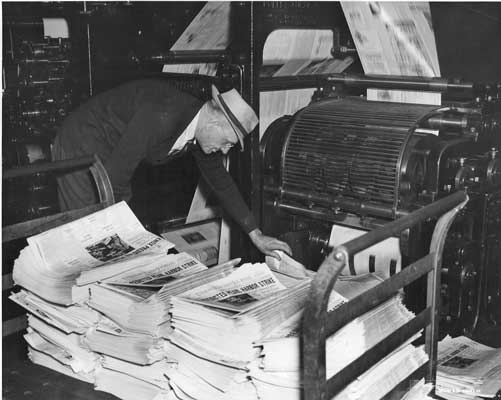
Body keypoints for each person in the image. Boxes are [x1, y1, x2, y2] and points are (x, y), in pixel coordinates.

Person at [52, 79, 291, 259]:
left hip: (111, 154)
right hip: (80, 144)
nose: (226, 150)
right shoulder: (163, 116)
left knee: (112, 238)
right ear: (216, 121)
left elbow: (221, 181)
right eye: (228, 141)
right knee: (86, 235)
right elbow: (114, 181)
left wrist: (255, 234)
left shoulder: (200, 130)